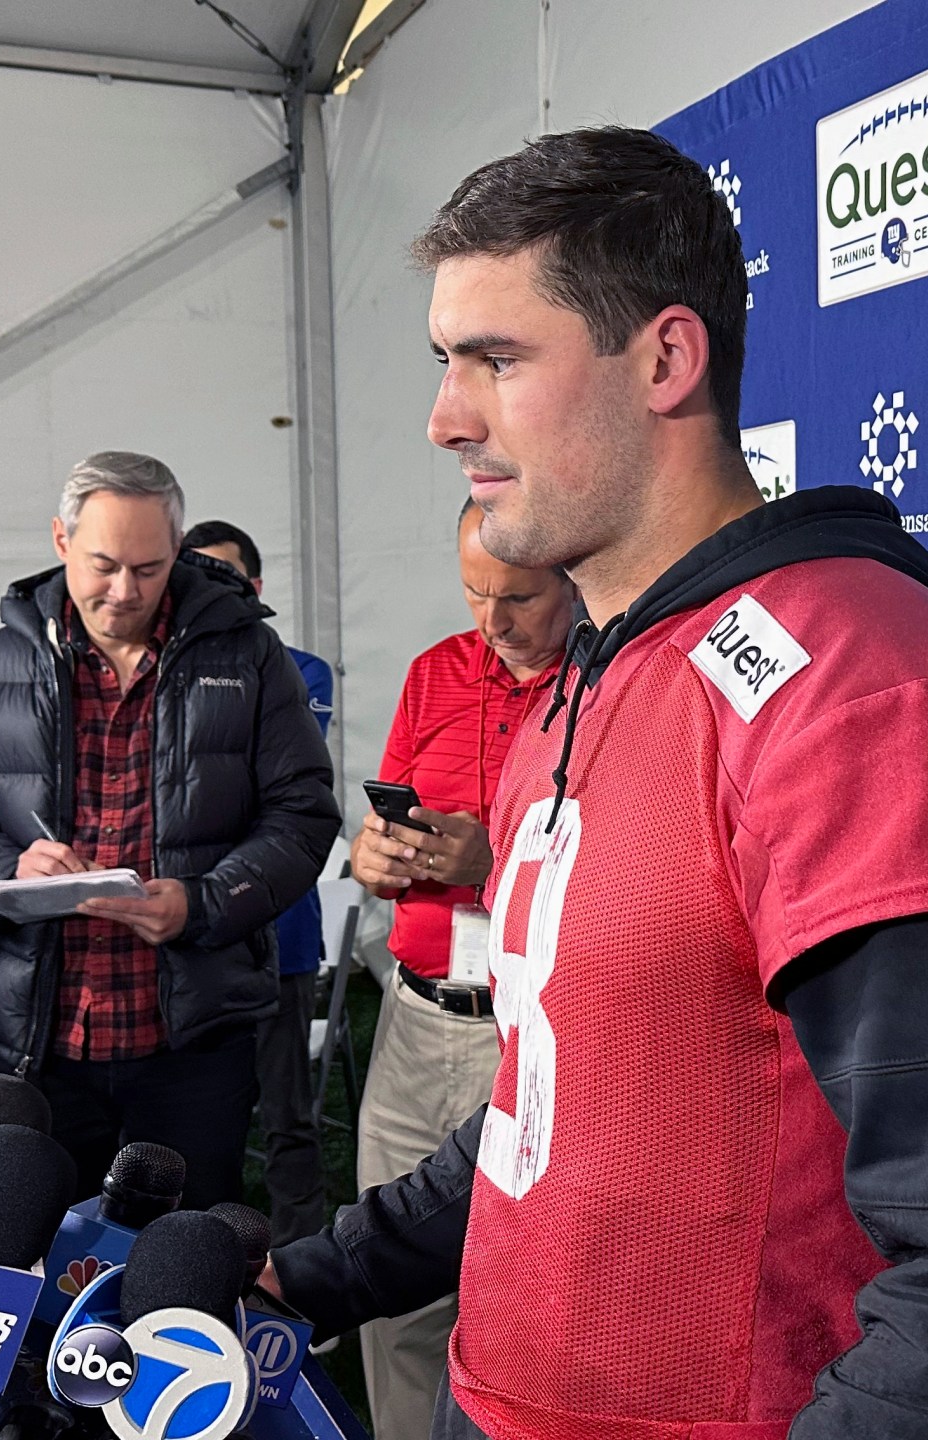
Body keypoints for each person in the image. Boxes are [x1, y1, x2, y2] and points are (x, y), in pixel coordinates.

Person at [261, 129, 928, 1439]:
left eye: (497, 361)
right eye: (446, 363)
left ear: (668, 358)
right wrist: (308, 1274)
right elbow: (555, 1112)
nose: (445, 418)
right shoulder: (597, 674)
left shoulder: (878, 703)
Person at [0, 454, 339, 1210]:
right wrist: (11, 869)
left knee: (176, 1260)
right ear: (59, 540)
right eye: (104, 565)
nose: (125, 591)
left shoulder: (246, 655)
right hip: (41, 1035)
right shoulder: (1, 661)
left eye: (149, 567)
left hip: (191, 1036)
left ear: (177, 551)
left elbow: (302, 814)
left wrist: (204, 903)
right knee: (32, 1262)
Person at [340, 498, 572, 1439]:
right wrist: (373, 860)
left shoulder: (607, 683)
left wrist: (497, 864)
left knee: (521, 1298)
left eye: (517, 597)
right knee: (392, 1300)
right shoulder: (436, 672)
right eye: (475, 592)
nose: (493, 620)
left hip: (529, 1028)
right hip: (414, 1019)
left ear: (570, 578)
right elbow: (377, 833)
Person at [181, 518, 334, 1248]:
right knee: (196, 1120)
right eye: (194, 572)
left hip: (282, 934)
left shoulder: (298, 669)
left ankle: (297, 1281)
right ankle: (190, 1271)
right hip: (193, 941)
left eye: (225, 576)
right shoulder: (161, 673)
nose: (207, 590)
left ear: (257, 588)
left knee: (287, 1118)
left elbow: (270, 797)